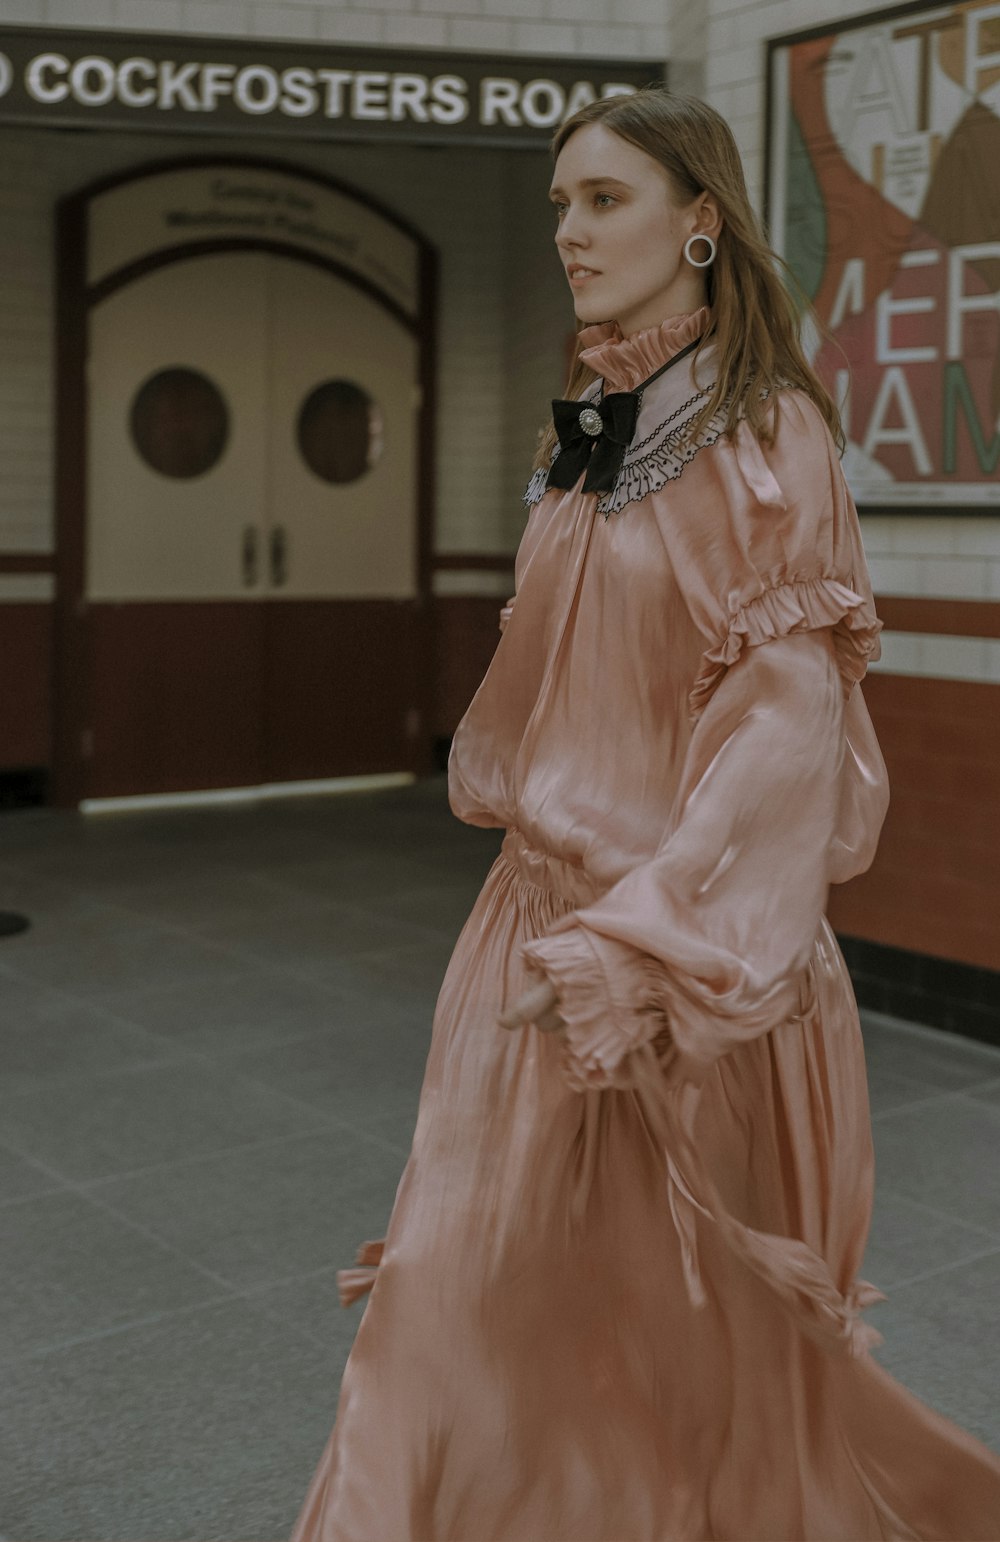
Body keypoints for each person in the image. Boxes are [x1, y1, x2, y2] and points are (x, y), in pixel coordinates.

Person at [291, 88, 1000, 1541]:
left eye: (604, 199)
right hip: (526, 944)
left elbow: (788, 723)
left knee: (687, 1363)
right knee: (451, 1310)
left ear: (701, 220)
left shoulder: (769, 437)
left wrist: (648, 940)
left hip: (686, 971)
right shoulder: (592, 427)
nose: (570, 230)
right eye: (560, 203)